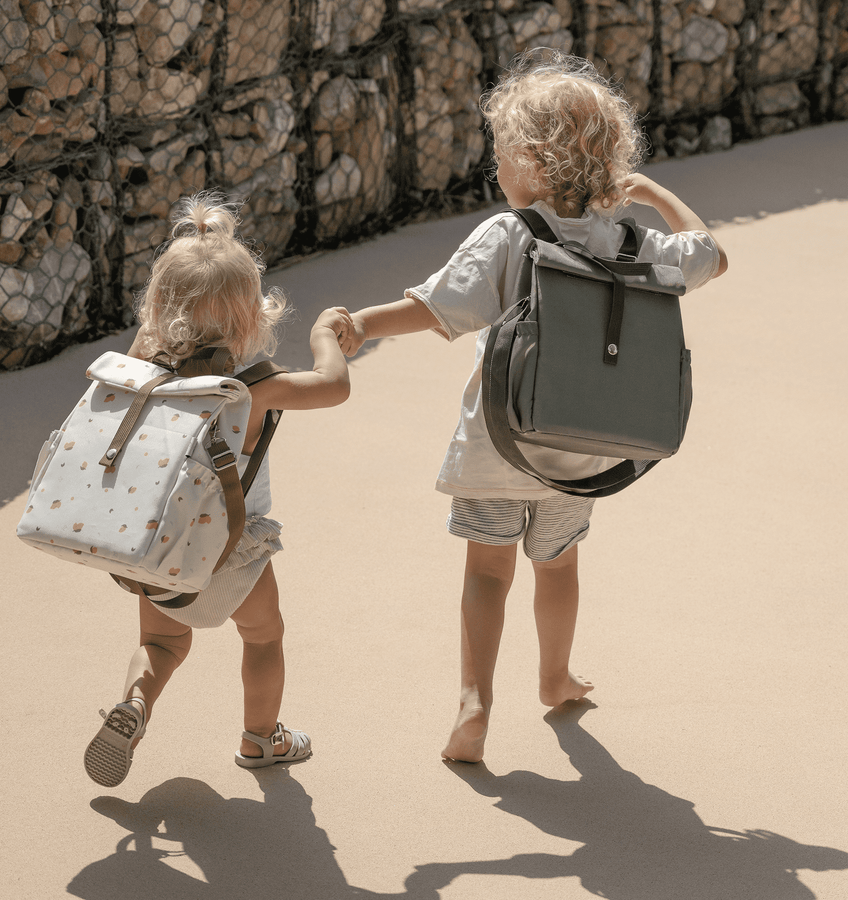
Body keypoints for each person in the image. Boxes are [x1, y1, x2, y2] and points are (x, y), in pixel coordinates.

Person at [338, 50, 728, 763]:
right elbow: (711, 255)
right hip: (583, 448)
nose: (497, 170)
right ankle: (554, 677)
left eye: (503, 155)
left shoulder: (509, 234)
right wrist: (651, 194)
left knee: (488, 573)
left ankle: (474, 701)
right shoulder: (628, 238)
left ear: (536, 161)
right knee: (558, 565)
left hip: (500, 442)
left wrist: (361, 324)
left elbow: (431, 309)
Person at [84, 193, 351, 787]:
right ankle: (263, 739)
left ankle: (133, 706)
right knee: (263, 637)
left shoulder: (141, 371)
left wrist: (155, 329)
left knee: (160, 642)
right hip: (232, 553)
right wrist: (326, 335)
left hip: (155, 547)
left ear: (156, 308)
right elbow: (334, 386)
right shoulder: (255, 387)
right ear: (252, 317)